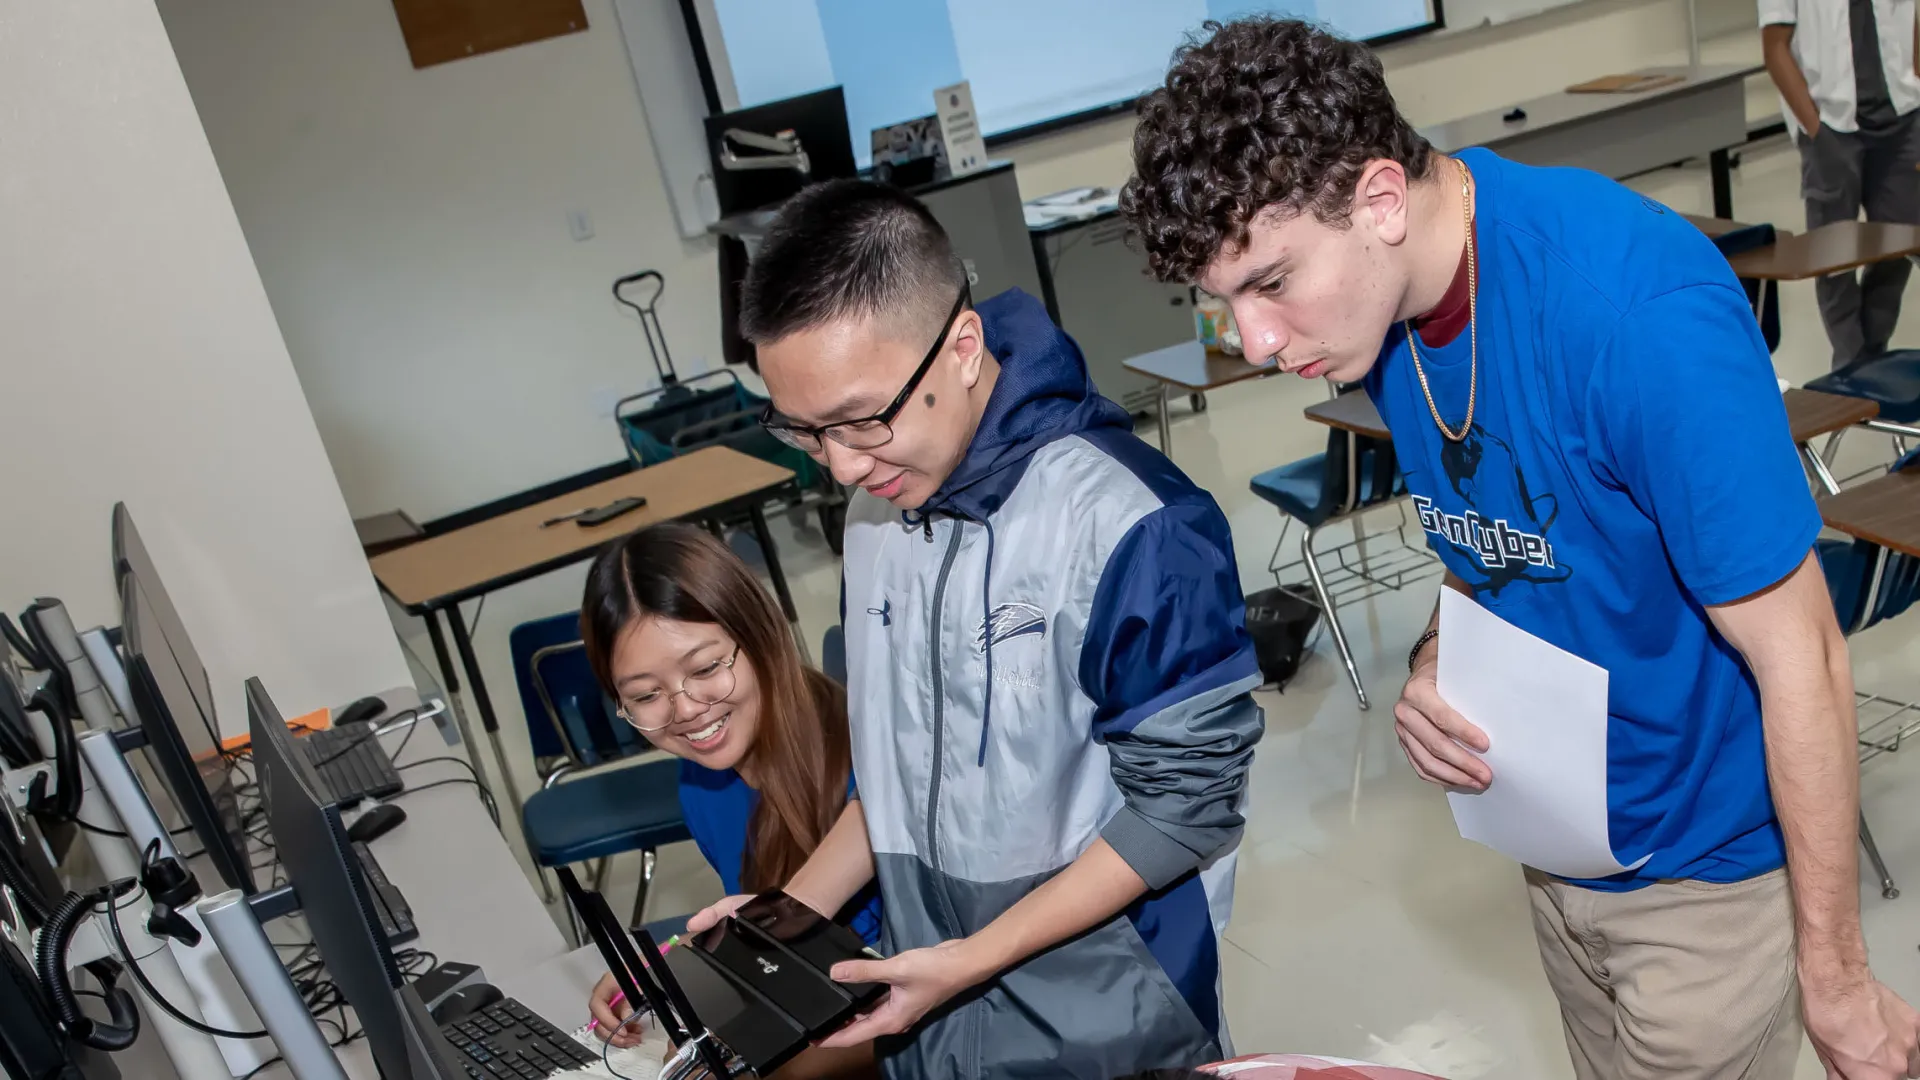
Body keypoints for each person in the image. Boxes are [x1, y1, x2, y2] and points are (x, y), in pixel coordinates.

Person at [1120, 15, 1920, 1080]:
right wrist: (1435, 655)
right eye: (1224, 304)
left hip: (1704, 878)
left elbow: (1804, 657)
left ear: (1381, 201)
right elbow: (1491, 540)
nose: (1257, 344)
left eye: (1270, 283)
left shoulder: (1631, 313)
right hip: (1558, 857)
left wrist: (1839, 977)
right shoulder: (1384, 313)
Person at [685, 179, 1266, 1079]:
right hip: (936, 1023)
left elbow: (1183, 811)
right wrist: (780, 920)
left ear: (961, 348)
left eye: (859, 419)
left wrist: (972, 960)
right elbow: (901, 773)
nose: (840, 465)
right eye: (805, 431)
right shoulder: (880, 509)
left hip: (1110, 1025)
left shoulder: (1132, 522)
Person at [576, 522, 879, 1080]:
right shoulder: (703, 784)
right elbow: (769, 940)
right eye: (645, 696)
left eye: (707, 668)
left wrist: (729, 1057)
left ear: (760, 633)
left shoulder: (874, 764)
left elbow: (914, 1012)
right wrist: (666, 960)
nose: (686, 709)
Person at [1760, 0, 1920, 367]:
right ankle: (1851, 366)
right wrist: (1817, 131)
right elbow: (1775, 47)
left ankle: (1870, 354)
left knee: (1904, 241)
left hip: (1900, 119)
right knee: (1834, 256)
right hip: (1830, 124)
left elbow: (1910, 16)